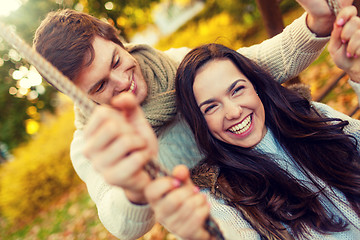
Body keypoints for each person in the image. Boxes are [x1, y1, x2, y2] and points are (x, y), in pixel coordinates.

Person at [32, 1, 354, 239]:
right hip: (219, 221)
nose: (121, 83)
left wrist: (317, 23)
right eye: (100, 85)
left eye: (116, 61)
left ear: (118, 42)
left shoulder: (172, 64)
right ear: (81, 96)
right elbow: (119, 220)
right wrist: (133, 185)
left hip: (274, 179)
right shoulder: (95, 141)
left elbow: (255, 68)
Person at [144, 5, 360, 240]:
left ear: (256, 86)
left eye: (237, 90)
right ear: (200, 123)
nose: (234, 111)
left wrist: (358, 75)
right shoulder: (220, 194)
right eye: (211, 107)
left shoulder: (307, 115)